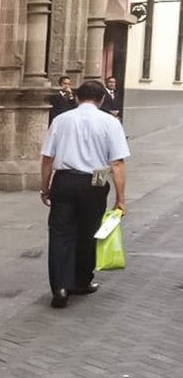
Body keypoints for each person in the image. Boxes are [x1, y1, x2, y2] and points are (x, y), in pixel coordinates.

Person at [40, 78, 129, 308]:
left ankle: (59, 286)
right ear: (101, 100)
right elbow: (117, 163)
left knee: (60, 234)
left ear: (78, 97)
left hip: (64, 181)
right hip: (94, 184)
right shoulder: (110, 123)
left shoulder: (61, 120)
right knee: (88, 232)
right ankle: (80, 281)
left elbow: (47, 157)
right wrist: (120, 199)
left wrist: (45, 186)